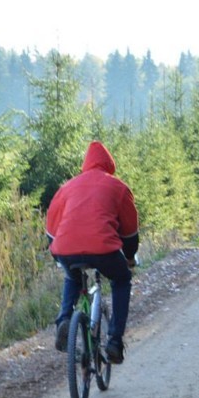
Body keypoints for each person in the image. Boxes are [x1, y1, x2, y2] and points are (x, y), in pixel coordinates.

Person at [46, 141, 139, 364]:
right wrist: (128, 257)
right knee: (121, 279)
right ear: (109, 165)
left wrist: (57, 255)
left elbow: (51, 229)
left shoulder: (66, 187)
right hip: (104, 250)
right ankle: (115, 341)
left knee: (72, 276)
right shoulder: (118, 187)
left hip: (65, 248)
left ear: (85, 165)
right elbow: (129, 232)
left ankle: (64, 320)